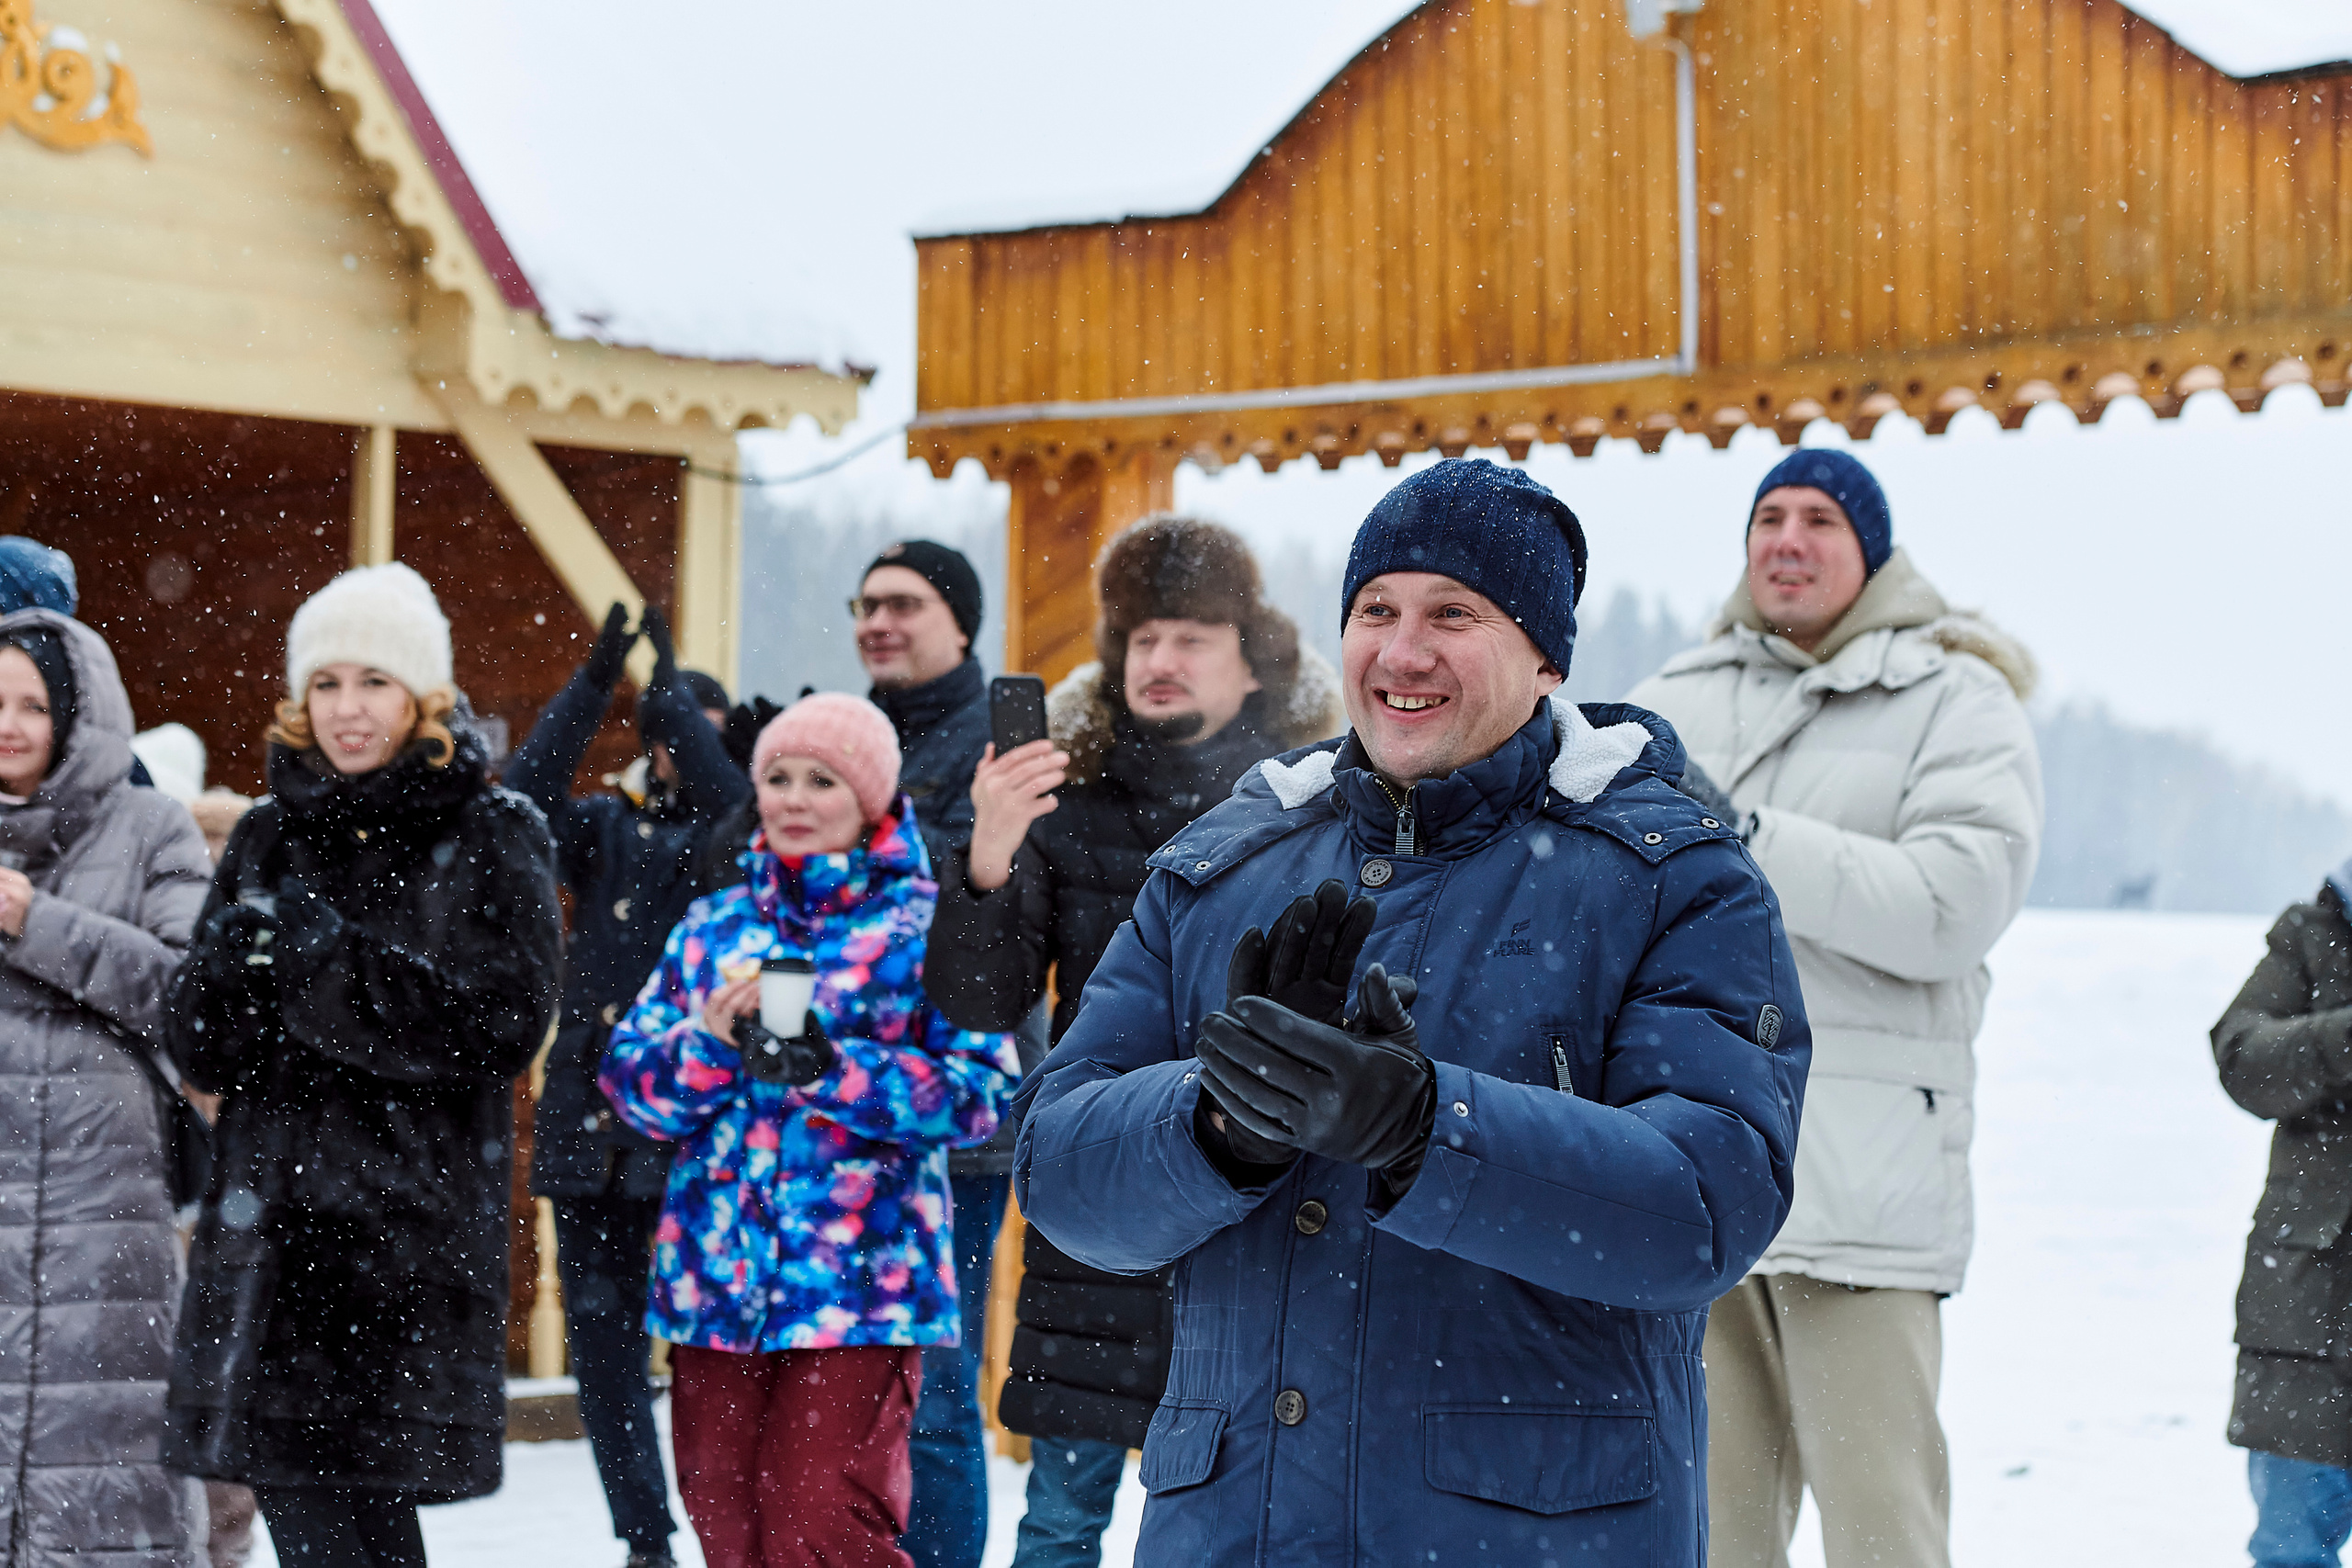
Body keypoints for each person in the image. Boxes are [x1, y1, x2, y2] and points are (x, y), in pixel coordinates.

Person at [1013, 457, 1809, 1563]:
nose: (1402, 650)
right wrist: (1215, 1128)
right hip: (1235, 1529)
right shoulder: (1215, 869)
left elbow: (1707, 1206)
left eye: (1454, 613)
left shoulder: (1674, 880)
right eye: (1375, 610)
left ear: (1545, 658)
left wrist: (1428, 1131)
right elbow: (1056, 1170)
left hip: (1533, 1531)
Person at [1629, 449, 2042, 1568]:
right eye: (1768, 518)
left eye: (1819, 520)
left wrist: (1743, 838)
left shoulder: (1957, 697)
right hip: (1696, 1168)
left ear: (1873, 552)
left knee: (1881, 1534)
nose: (1788, 541)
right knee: (1704, 1536)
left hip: (1862, 1184)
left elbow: (1951, 907)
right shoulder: (1671, 699)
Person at [924, 516, 1340, 1566]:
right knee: (1062, 1521)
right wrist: (988, 854)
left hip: (1261, 1193)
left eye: (1192, 637)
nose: (1160, 660)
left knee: (1242, 1525)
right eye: (1143, 638)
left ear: (1253, 664)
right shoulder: (1064, 803)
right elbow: (983, 1000)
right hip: (1102, 1194)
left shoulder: (1317, 806)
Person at [163, 562, 562, 1567]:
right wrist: (227, 974)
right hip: (271, 1253)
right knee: (314, 1531)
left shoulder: (492, 831)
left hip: (405, 1250)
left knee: (366, 1537)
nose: (346, 708)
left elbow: (502, 1025)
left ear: (422, 693)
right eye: (326, 683)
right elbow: (198, 1046)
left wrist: (323, 960)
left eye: (373, 682)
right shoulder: (265, 834)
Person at [599, 694, 1020, 1568]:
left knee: (823, 1525)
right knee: (724, 1519)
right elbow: (630, 1086)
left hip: (861, 1289)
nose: (793, 796)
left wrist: (837, 1070)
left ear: (871, 800)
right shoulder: (713, 925)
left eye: (821, 779)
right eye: (777, 778)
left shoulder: (923, 922)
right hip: (715, 1289)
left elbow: (980, 1094)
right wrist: (708, 1045)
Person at [506, 601, 746, 1568]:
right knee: (605, 1357)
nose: (687, 747)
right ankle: (645, 1538)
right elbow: (521, 798)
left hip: (693, 1127)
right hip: (588, 1125)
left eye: (699, 732)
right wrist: (595, 682)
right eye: (675, 732)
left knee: (698, 1352)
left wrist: (675, 688)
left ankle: (720, 1522)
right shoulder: (602, 828)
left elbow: (731, 795)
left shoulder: (735, 842)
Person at [0, 608, 214, 1563]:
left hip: (108, 1226)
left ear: (78, 714)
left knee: (106, 1488)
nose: (8, 723)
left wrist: (36, 921)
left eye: (33, 704)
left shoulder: (150, 826)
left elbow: (194, 997)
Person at [834, 539, 1023, 1568]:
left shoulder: (997, 744)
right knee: (847, 1390)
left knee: (934, 1395)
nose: (879, 621)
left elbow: (966, 907)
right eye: (866, 604)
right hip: (835, 1108)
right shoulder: (847, 734)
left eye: (904, 603)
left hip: (952, 1117)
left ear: (960, 621)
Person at [2212, 855, 2352, 1567]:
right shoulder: (2311, 933)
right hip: (2307, 1315)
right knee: (2291, 1548)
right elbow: (2242, 1059)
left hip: (2303, 1304)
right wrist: (2343, 1036)